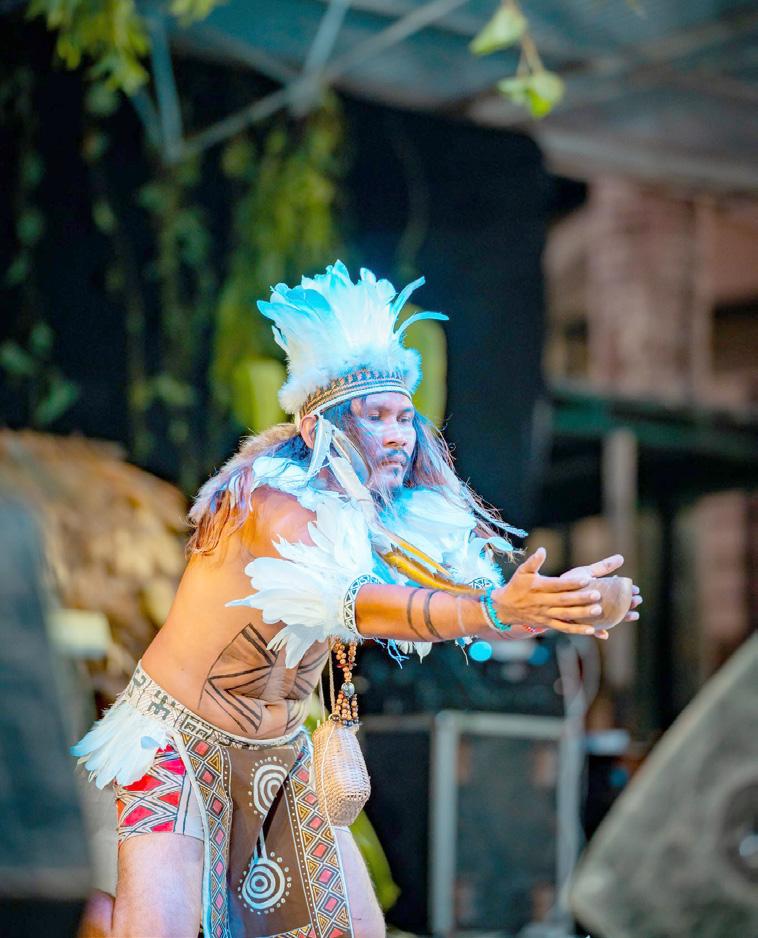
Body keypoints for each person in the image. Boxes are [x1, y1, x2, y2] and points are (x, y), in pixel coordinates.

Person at [74, 261, 642, 938]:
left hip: (278, 757)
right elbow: (360, 603)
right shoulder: (272, 503)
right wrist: (494, 611)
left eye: (405, 417)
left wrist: (563, 601)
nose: (400, 434)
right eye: (377, 417)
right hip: (175, 745)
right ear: (321, 427)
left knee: (353, 930)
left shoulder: (380, 518)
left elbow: (468, 598)